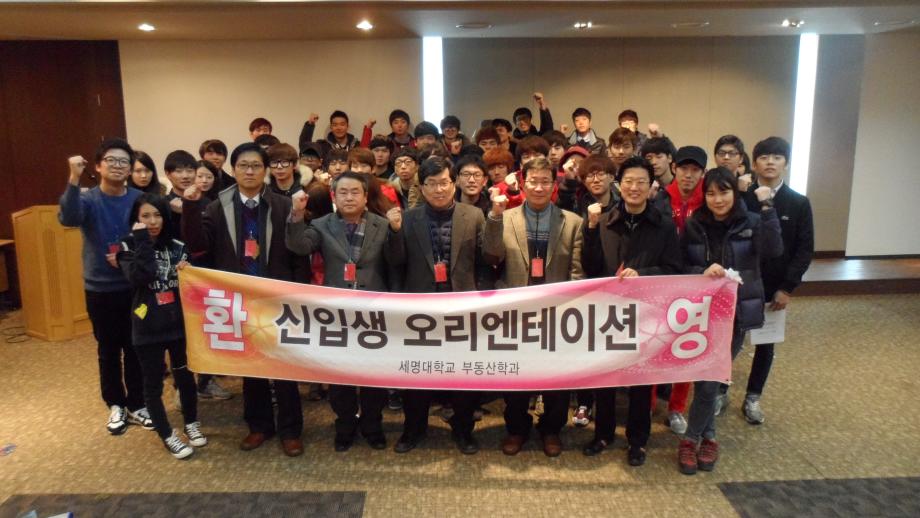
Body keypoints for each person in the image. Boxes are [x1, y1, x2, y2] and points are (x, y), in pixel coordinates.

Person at [181, 142, 307, 457]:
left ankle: (291, 430)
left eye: (256, 166)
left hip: (277, 298)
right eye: (243, 166)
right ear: (233, 170)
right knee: (251, 366)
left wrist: (299, 293)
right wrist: (191, 208)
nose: (249, 171)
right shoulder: (216, 207)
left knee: (284, 366)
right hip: (238, 299)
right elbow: (199, 248)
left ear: (265, 171)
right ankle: (259, 425)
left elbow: (297, 253)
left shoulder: (282, 205)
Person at [285, 172, 403, 452]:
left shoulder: (382, 224)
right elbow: (299, 246)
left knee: (374, 373)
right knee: (340, 374)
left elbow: (397, 259)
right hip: (336, 312)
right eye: (343, 193)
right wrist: (296, 215)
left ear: (365, 196)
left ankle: (373, 425)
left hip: (374, 311)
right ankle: (345, 425)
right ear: (334, 196)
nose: (349, 198)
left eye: (355, 192)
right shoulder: (321, 224)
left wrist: (397, 231)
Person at [678, 167, 782, 475]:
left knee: (712, 376)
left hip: (735, 313)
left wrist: (768, 208)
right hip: (701, 312)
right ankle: (709, 437)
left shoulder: (751, 221)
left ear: (735, 193)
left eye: (723, 192)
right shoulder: (695, 223)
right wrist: (701, 271)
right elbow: (681, 264)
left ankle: (691, 439)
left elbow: (773, 250)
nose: (717, 199)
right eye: (711, 193)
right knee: (707, 376)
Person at [580, 156, 682, 466]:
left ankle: (638, 440)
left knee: (641, 380)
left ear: (651, 186)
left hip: (645, 312)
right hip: (608, 310)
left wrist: (644, 274)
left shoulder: (664, 225)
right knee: (605, 377)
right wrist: (590, 229)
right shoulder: (604, 220)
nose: (634, 187)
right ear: (619, 184)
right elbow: (590, 267)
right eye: (628, 181)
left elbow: (673, 269)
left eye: (641, 182)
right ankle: (603, 434)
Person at [483, 157, 584, 457]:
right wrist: (495, 217)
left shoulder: (572, 222)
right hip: (516, 311)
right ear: (522, 183)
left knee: (557, 376)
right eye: (533, 181)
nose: (539, 187)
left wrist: (570, 308)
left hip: (557, 312)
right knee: (516, 375)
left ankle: (551, 429)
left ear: (554, 185)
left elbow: (576, 270)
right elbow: (491, 256)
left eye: (545, 182)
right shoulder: (505, 217)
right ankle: (517, 428)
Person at [389, 157, 488, 455]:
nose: (439, 189)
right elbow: (396, 262)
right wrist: (395, 232)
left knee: (463, 374)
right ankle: (413, 429)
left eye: (444, 182)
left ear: (454, 183)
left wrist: (482, 299)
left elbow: (485, 262)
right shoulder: (408, 218)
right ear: (422, 187)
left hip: (462, 308)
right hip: (420, 309)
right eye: (431, 184)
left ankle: (463, 430)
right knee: (416, 373)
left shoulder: (474, 215)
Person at [59, 138, 152, 434]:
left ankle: (138, 403)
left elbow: (150, 234)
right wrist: (73, 177)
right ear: (98, 166)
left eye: (124, 161)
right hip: (100, 288)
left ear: (130, 168)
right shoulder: (88, 198)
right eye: (111, 160)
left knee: (137, 346)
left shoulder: (139, 198)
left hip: (134, 286)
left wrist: (128, 255)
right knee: (108, 349)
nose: (118, 166)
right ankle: (115, 403)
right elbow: (68, 218)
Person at [116, 194, 206, 459]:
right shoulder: (128, 246)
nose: (152, 222)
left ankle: (191, 422)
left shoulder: (178, 246)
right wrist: (142, 240)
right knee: (153, 384)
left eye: (157, 215)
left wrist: (188, 270)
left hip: (178, 324)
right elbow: (140, 277)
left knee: (185, 377)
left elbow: (192, 284)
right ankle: (167, 435)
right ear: (136, 219)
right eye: (145, 216)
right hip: (147, 327)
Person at [737, 136, 814, 424]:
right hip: (739, 283)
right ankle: (720, 391)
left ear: (786, 163)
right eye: (764, 157)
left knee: (765, 344)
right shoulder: (742, 198)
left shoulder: (798, 203)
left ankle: (753, 397)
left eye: (777, 157)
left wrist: (787, 287)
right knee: (730, 340)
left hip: (774, 287)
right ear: (754, 163)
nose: (770, 162)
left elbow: (804, 249)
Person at [652, 145, 708, 434]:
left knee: (686, 346)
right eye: (684, 168)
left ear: (702, 173)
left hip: (694, 284)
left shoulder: (709, 202)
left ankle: (676, 408)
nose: (688, 175)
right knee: (654, 344)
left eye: (695, 170)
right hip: (661, 281)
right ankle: (648, 402)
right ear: (674, 168)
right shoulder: (659, 199)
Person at [163, 150, 198, 237]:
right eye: (179, 171)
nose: (185, 176)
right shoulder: (163, 203)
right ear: (168, 174)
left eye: (190, 171)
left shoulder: (206, 202)